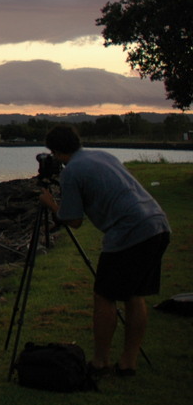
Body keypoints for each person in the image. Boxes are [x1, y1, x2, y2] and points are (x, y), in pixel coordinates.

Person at [38, 125, 170, 376]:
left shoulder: (72, 172)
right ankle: (128, 363)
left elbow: (74, 220)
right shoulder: (102, 155)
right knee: (134, 295)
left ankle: (100, 361)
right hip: (157, 225)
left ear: (55, 151)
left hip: (130, 233)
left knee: (104, 296)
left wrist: (50, 204)